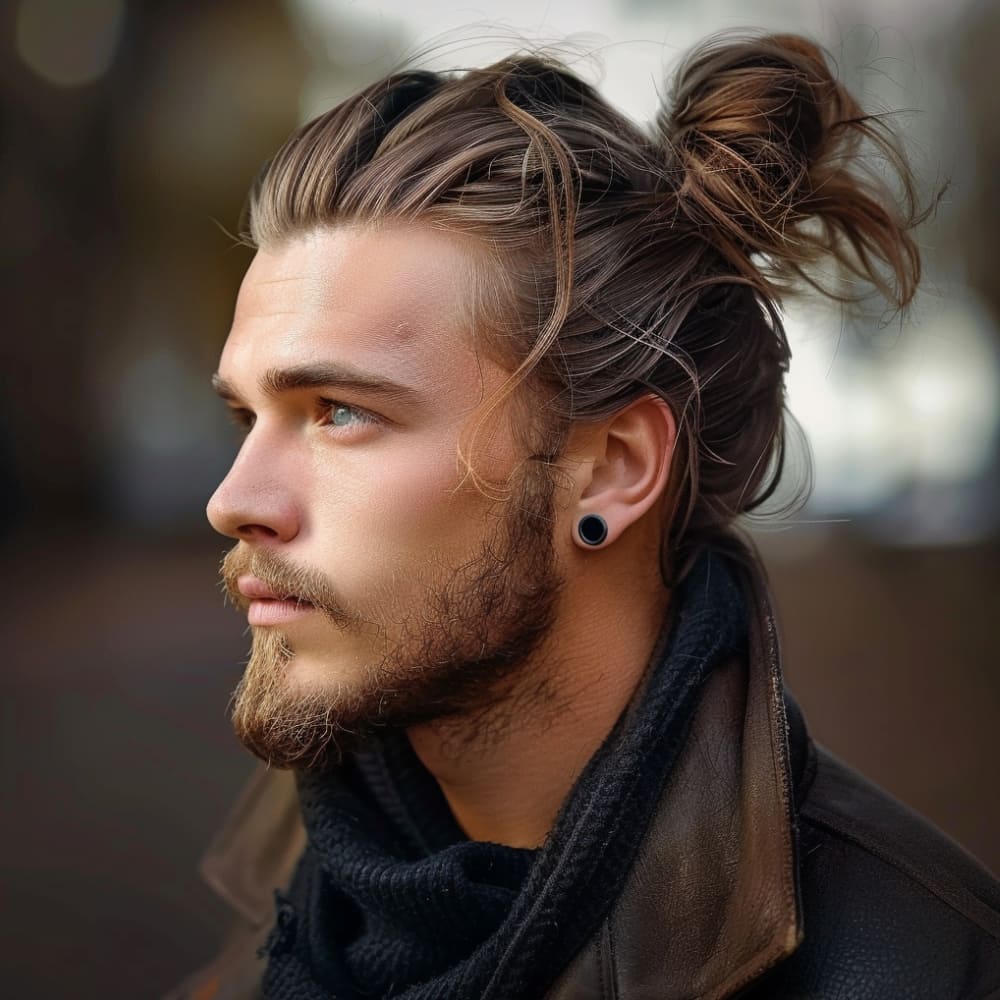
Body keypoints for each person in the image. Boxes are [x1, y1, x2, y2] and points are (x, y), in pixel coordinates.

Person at [172, 31, 1000, 1000]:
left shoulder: (924, 967)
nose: (233, 502)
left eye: (341, 412)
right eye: (247, 416)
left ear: (611, 470)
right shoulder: (293, 916)